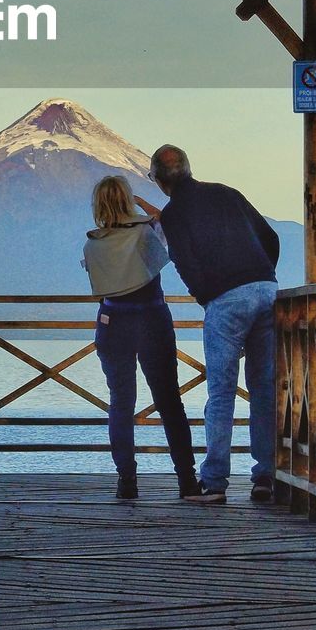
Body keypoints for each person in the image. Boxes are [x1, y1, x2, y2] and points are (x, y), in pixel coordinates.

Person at [149, 145, 280, 506]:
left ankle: (216, 482)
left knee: (221, 392)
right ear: (190, 169)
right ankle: (265, 475)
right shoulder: (226, 192)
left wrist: (207, 294)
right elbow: (270, 239)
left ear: (160, 181)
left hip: (226, 300)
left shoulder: (173, 215)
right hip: (267, 291)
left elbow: (185, 264)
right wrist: (260, 274)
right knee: (263, 387)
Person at [82, 175, 199, 501]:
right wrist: (142, 207)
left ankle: (127, 481)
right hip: (151, 319)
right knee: (169, 401)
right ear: (126, 200)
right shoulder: (145, 234)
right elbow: (165, 224)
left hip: (112, 321)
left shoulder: (93, 244)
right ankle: (187, 480)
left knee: (120, 402)